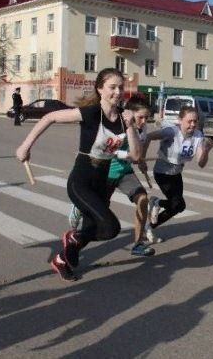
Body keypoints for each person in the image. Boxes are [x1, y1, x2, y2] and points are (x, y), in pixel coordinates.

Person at [16, 68, 142, 282]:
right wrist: (25, 146)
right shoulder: (92, 112)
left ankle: (62, 260)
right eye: (112, 87)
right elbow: (50, 117)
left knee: (94, 228)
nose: (117, 92)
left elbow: (136, 156)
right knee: (111, 227)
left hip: (102, 182)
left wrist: (130, 125)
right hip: (81, 181)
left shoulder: (123, 118)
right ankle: (72, 238)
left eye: (121, 87)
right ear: (100, 89)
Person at [68, 95, 159, 255]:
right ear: (130, 113)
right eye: (141, 117)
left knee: (142, 199)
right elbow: (104, 149)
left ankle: (138, 244)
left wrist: (140, 160)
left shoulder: (142, 128)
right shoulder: (117, 124)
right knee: (97, 223)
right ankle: (73, 246)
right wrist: (128, 155)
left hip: (124, 172)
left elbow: (137, 150)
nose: (144, 121)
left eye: (147, 117)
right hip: (106, 172)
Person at [146, 106, 213, 238]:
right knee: (176, 204)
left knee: (179, 207)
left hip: (176, 174)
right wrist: (141, 159)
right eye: (189, 121)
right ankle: (155, 207)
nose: (193, 124)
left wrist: (206, 150)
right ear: (180, 120)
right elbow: (149, 136)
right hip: (162, 173)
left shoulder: (198, 135)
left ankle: (151, 222)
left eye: (195, 121)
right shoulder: (171, 132)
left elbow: (201, 163)